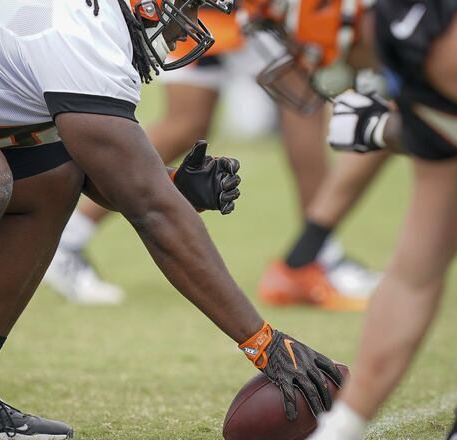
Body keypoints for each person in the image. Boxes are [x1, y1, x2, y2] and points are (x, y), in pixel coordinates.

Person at [0, 0, 344, 437]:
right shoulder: (80, 28)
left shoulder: (83, 23)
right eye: (181, 5)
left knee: (52, 179)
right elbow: (151, 212)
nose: (185, 20)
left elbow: (90, 169)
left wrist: (172, 185)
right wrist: (262, 340)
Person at [235, 1, 457, 438]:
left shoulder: (426, 28)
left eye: (281, 30)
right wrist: (341, 427)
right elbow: (414, 276)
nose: (287, 51)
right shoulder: (414, 69)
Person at [44, 7, 384, 308]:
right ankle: (318, 258)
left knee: (289, 107)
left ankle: (320, 254)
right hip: (214, 10)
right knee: (193, 122)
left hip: (235, 12)